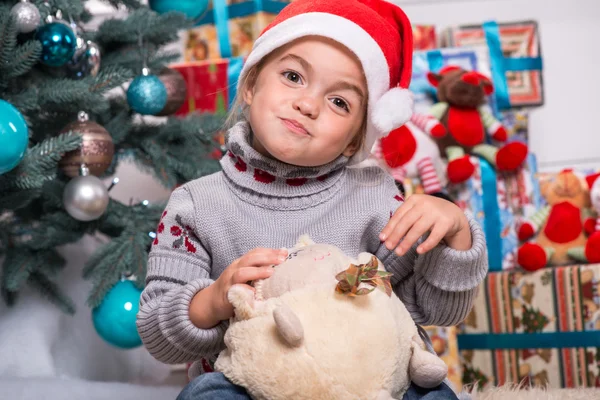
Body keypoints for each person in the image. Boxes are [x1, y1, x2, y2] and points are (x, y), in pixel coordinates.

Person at [136, 0, 488, 399]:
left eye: (340, 102)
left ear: (356, 137)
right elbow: (156, 334)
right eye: (292, 76)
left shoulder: (373, 196)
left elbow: (434, 311)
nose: (308, 104)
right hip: (254, 384)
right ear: (250, 85)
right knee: (207, 395)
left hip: (364, 382)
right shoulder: (195, 204)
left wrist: (456, 233)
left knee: (436, 393)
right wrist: (215, 299)